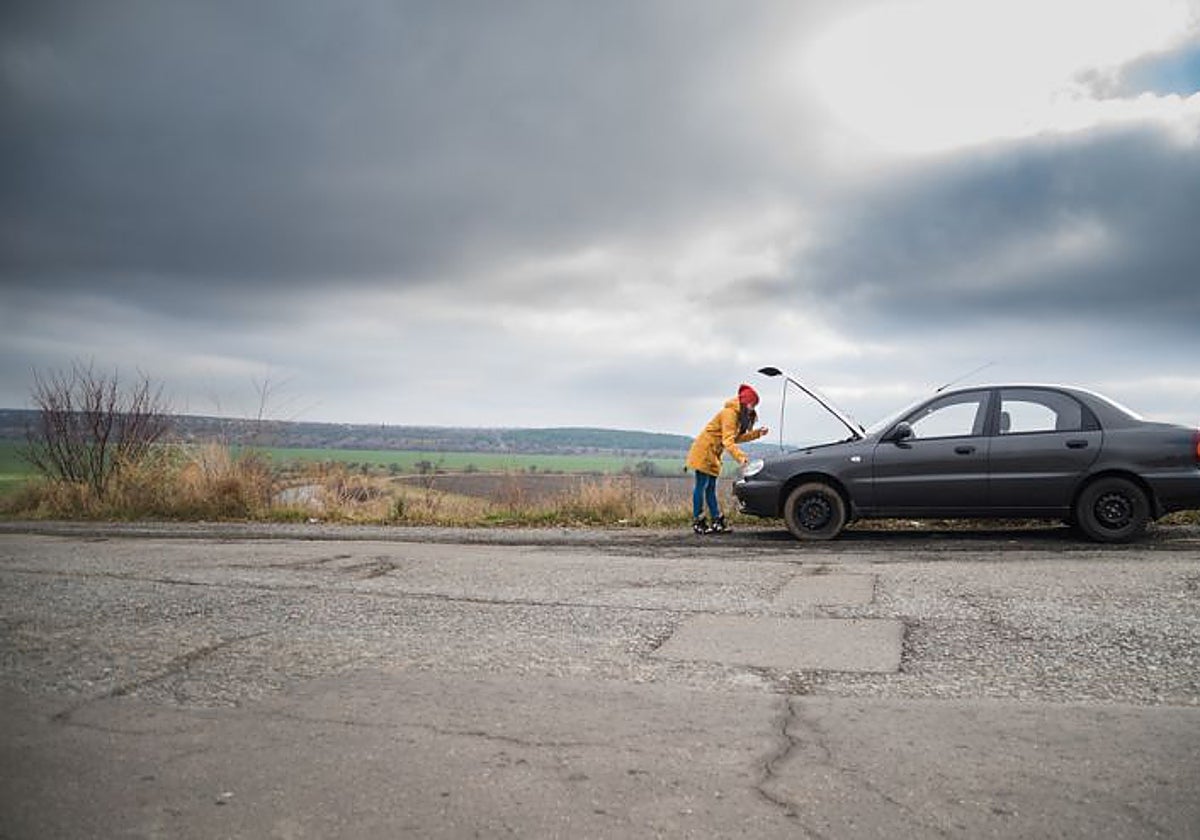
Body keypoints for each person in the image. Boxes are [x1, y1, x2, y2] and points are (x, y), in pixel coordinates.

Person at [685, 384, 769, 534]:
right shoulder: (729, 413)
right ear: (744, 402)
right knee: (701, 486)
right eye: (752, 404)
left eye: (755, 405)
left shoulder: (737, 415)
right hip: (704, 451)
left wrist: (757, 433)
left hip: (713, 453)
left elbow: (736, 438)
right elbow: (728, 441)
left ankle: (717, 521)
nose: (753, 408)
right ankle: (698, 521)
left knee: (710, 488)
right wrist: (741, 457)